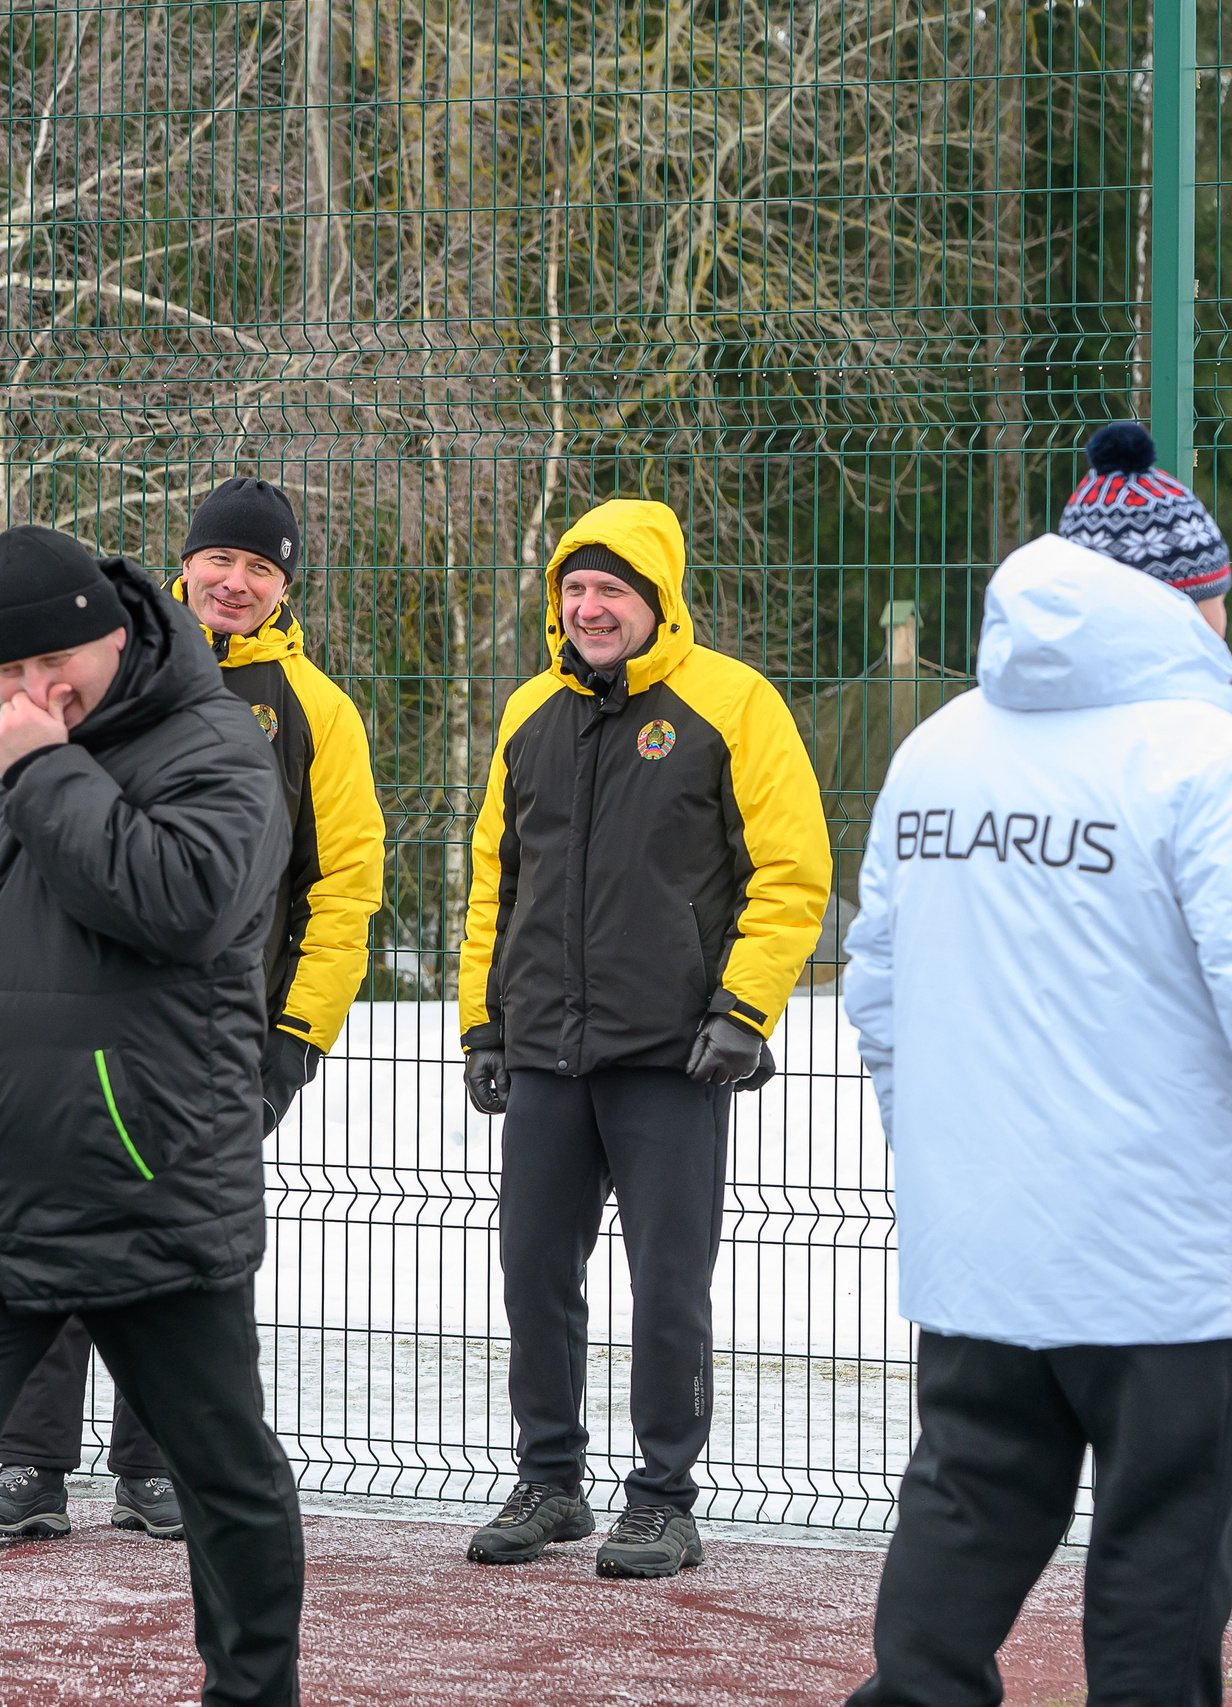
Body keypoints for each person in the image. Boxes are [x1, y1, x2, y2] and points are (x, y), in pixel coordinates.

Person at [838, 424, 1232, 1706]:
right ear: (1193, 599)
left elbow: (878, 990)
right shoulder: (1210, 765)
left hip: (983, 1255)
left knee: (960, 1529)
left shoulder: (938, 752)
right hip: (1162, 1270)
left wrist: (942, 1155)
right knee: (1160, 1565)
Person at [0, 525, 301, 1707]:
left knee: (227, 1483)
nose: (31, 697)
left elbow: (179, 901)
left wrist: (43, 767)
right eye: (5, 679)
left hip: (149, 1195)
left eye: (54, 670)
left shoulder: (216, 742)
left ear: (118, 634)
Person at [0, 477, 384, 1545]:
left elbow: (343, 886)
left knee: (181, 1248)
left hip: (212, 1038)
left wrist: (291, 1040)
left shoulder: (318, 712)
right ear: (185, 565)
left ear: (286, 587)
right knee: (50, 1223)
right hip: (68, 1017)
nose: (235, 583)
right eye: (221, 561)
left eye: (261, 568)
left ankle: (159, 1467)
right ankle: (26, 1462)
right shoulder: (97, 678)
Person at [456, 498, 831, 1579]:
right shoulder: (532, 710)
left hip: (673, 1052)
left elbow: (792, 868)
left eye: (610, 590)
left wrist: (742, 1009)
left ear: (657, 598)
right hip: (544, 1053)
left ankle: (663, 1497)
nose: (589, 608)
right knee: (533, 1271)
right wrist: (483, 1021)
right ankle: (550, 1483)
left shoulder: (731, 703)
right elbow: (496, 874)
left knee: (667, 1283)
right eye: (574, 590)